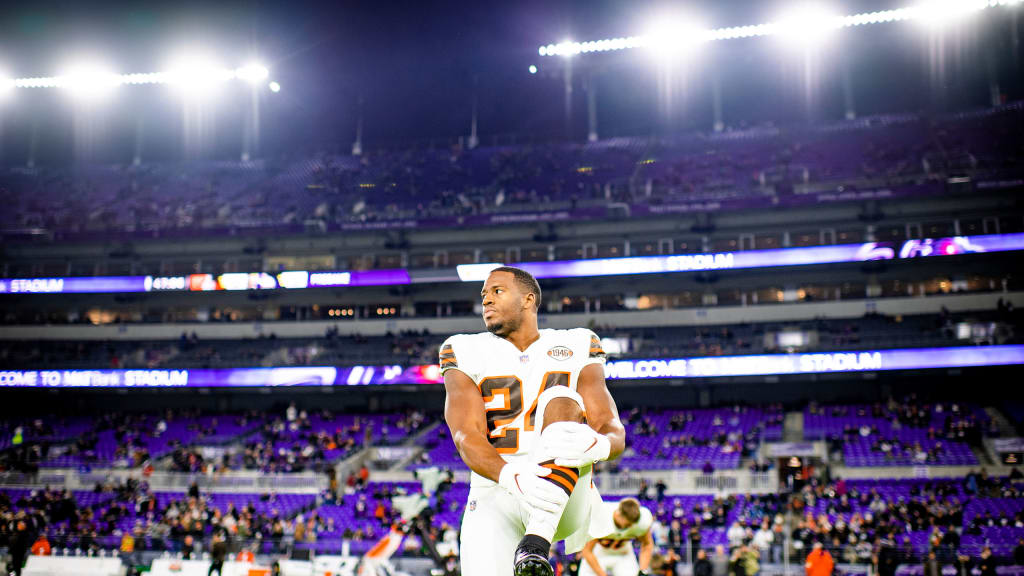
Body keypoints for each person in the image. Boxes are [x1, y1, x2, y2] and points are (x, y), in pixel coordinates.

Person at [442, 267, 626, 576]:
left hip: (564, 486)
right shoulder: (462, 348)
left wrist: (601, 444)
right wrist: (510, 475)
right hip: (496, 488)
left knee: (561, 398)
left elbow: (611, 426)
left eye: (496, 291)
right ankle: (533, 550)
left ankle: (537, 539)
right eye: (483, 294)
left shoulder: (579, 343)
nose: (486, 300)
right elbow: (464, 434)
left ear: (528, 299)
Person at [579, 498, 655, 576]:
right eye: (628, 524)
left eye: (633, 524)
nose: (631, 526)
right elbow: (587, 551)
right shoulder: (600, 516)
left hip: (623, 554)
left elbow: (647, 544)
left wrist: (643, 570)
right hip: (597, 554)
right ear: (618, 514)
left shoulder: (640, 522)